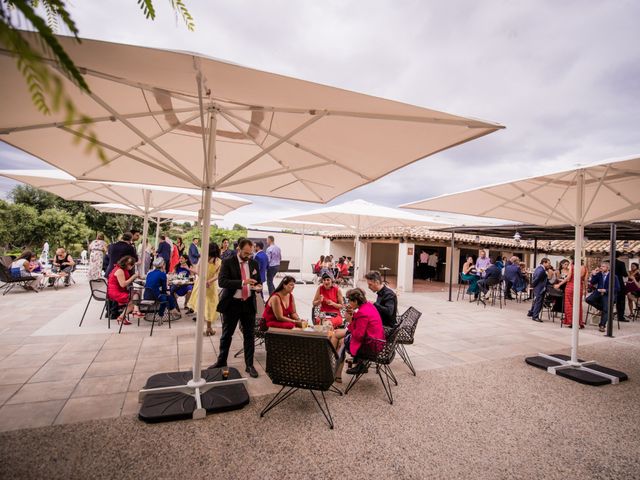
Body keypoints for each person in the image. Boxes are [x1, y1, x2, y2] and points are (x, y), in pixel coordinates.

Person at [210, 239, 262, 378]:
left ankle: (249, 365)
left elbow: (259, 280)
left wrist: (258, 287)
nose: (248, 256)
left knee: (249, 335)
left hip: (248, 303)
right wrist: (243, 282)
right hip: (232, 303)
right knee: (227, 334)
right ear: (239, 249)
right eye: (246, 253)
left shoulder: (254, 263)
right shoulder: (228, 262)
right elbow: (222, 282)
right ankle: (221, 361)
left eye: (250, 253)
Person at [332, 288, 385, 379]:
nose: (349, 303)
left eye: (350, 301)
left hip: (369, 345)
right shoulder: (368, 305)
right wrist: (353, 316)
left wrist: (349, 321)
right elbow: (362, 323)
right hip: (377, 341)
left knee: (340, 341)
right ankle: (336, 373)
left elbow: (358, 336)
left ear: (356, 301)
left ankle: (333, 367)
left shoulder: (362, 312)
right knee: (338, 335)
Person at [188, 243, 222, 336]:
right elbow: (218, 275)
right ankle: (209, 328)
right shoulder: (218, 261)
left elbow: (198, 271)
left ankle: (201, 328)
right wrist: (209, 281)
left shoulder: (202, 259)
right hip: (210, 285)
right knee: (210, 306)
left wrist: (204, 280)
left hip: (201, 284)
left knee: (200, 305)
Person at [107, 255, 142, 325]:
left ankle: (124, 316)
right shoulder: (120, 270)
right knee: (133, 300)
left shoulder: (121, 269)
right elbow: (123, 284)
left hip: (118, 290)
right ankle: (133, 311)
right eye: (131, 265)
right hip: (115, 292)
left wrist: (138, 277)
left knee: (136, 294)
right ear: (127, 264)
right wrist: (133, 277)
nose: (132, 267)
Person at [587, 261, 621, 333]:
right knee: (588, 299)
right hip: (598, 293)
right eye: (601, 266)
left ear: (607, 268)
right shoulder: (599, 274)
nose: (601, 268)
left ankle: (602, 325)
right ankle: (604, 309)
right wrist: (594, 275)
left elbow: (617, 288)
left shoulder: (614, 276)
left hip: (607, 294)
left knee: (606, 309)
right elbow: (592, 283)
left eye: (603, 266)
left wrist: (606, 290)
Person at [555, 259, 586, 328]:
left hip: (571, 286)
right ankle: (579, 322)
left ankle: (571, 322)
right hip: (579, 287)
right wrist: (584, 289)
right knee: (578, 305)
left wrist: (559, 284)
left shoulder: (572, 266)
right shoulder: (584, 267)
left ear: (572, 260)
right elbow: (585, 280)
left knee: (569, 304)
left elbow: (568, 278)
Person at [527, 258, 551, 323]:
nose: (549, 264)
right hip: (540, 288)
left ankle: (531, 313)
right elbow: (536, 279)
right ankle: (535, 316)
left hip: (538, 288)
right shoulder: (541, 270)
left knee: (536, 301)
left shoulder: (539, 268)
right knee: (539, 302)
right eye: (548, 263)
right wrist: (532, 286)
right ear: (544, 263)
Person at [615, 252, 629, 322]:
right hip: (619, 283)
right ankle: (620, 316)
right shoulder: (621, 263)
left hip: (609, 283)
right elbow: (625, 274)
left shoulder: (607, 263)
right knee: (621, 300)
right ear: (619, 256)